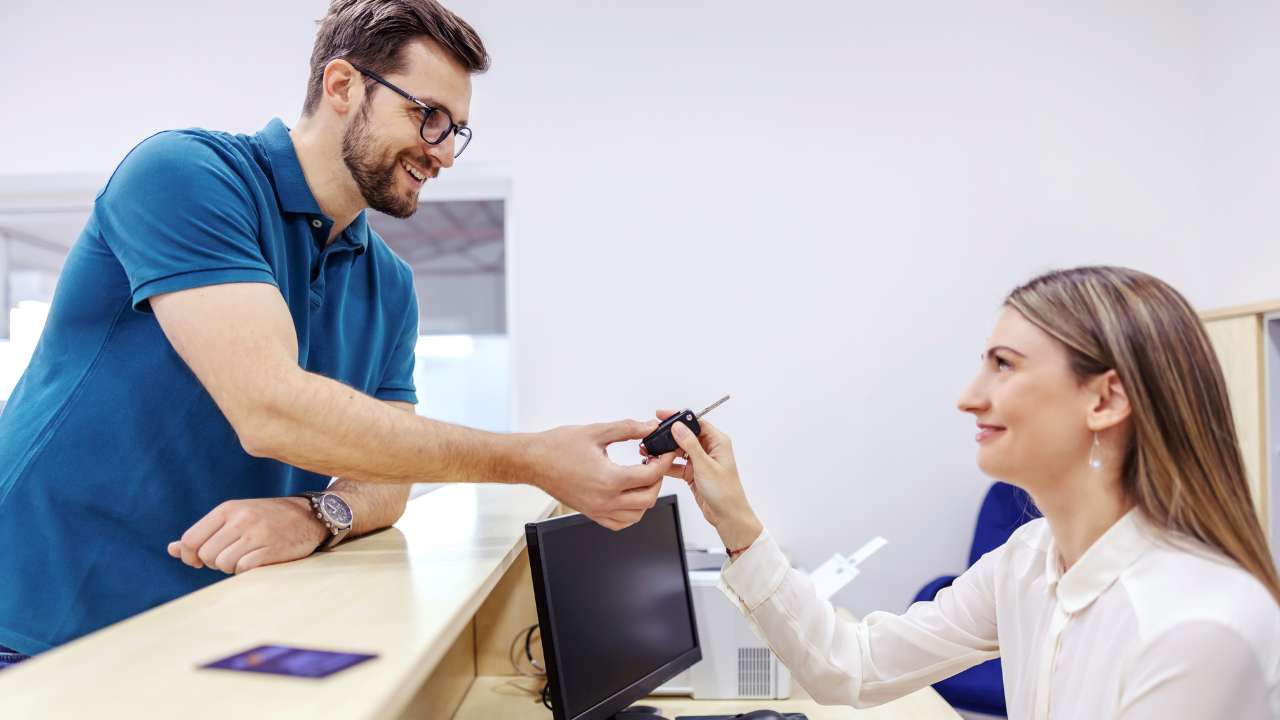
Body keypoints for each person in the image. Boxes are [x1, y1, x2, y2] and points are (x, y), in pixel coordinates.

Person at [0, 0, 675, 664]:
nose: (442, 153)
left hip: (197, 633)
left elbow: (386, 483)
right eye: (427, 116)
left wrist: (316, 515)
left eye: (455, 130)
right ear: (343, 85)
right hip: (36, 626)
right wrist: (528, 457)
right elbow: (269, 408)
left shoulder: (391, 285)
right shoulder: (186, 175)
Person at [655, 266, 1280, 718]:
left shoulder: (1197, 627)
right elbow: (851, 665)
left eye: (1004, 364)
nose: (968, 396)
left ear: (1104, 398)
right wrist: (733, 517)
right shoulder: (1031, 559)